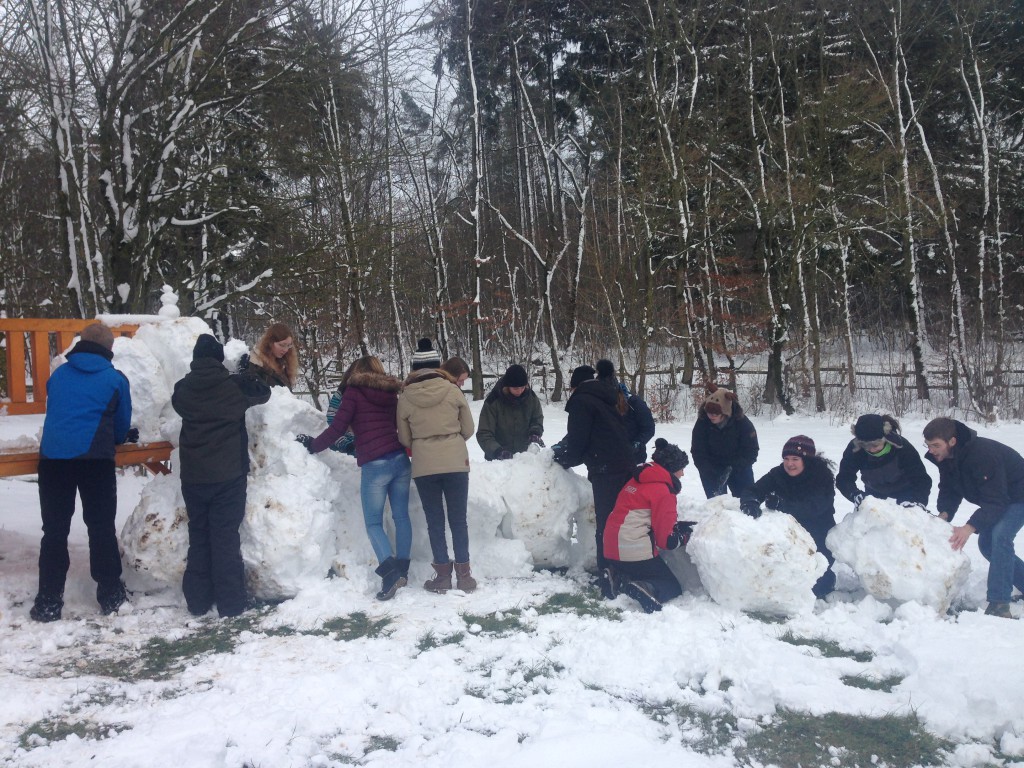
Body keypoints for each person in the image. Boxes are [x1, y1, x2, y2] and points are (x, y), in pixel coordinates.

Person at [30, 322, 135, 622]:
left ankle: (48, 601)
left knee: (54, 532)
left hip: (53, 460)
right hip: (95, 462)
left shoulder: (59, 374)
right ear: (109, 349)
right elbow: (120, 427)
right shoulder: (115, 379)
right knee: (100, 528)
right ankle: (111, 596)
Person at [172, 334, 272, 617]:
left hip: (193, 476)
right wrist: (245, 373)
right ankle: (231, 603)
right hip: (228, 474)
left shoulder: (183, 389)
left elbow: (178, 403)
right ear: (218, 359)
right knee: (225, 537)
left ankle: (198, 601)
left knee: (199, 535)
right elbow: (263, 391)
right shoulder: (234, 387)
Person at [296, 356, 411, 601]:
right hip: (400, 460)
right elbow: (395, 425)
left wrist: (313, 445)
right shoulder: (391, 393)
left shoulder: (354, 392)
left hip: (375, 463)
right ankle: (403, 568)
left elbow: (337, 428)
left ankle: (390, 573)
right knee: (402, 516)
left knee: (373, 522)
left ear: (356, 372)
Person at [923, 417, 1024, 619]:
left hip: (1018, 496)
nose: (932, 450)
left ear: (952, 441)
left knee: (1000, 538)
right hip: (1002, 498)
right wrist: (944, 514)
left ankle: (999, 605)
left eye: (936, 445)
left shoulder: (982, 455)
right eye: (928, 445)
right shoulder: (946, 457)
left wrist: (969, 527)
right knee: (987, 544)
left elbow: (996, 500)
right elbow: (949, 488)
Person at [397, 338, 476, 593]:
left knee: (435, 521)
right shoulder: (453, 390)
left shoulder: (406, 395)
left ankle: (442, 576)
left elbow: (404, 437)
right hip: (455, 462)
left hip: (424, 465)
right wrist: (451, 440)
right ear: (437, 365)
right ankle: (464, 576)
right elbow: (469, 428)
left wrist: (424, 443)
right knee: (458, 520)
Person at [553, 364, 635, 597]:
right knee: (623, 519)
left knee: (606, 521)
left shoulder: (581, 402)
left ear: (574, 386)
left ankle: (608, 572)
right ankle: (628, 566)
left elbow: (579, 439)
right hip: (626, 464)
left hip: (606, 469)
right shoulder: (607, 397)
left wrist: (563, 459)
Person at [603, 438, 694, 613]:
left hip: (611, 548)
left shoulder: (636, 481)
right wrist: (684, 537)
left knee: (634, 568)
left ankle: (616, 576)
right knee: (671, 586)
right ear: (671, 469)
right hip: (632, 549)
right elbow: (665, 541)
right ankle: (647, 588)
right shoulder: (663, 491)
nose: (682, 474)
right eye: (681, 469)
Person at [741, 435, 837, 599]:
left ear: (806, 460)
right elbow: (754, 490)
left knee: (814, 584)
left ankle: (827, 579)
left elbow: (816, 506)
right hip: (788, 534)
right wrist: (750, 502)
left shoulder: (822, 476)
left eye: (795, 459)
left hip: (818, 533)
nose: (789, 464)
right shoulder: (779, 473)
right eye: (786, 458)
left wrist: (783, 506)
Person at [836, 414, 931, 507]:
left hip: (905, 493)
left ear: (885, 439)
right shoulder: (855, 449)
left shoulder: (902, 447)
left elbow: (921, 479)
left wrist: (918, 502)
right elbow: (844, 478)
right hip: (873, 495)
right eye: (866, 446)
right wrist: (854, 494)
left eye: (875, 445)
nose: (871, 449)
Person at [691, 385, 759, 498]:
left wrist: (734, 467)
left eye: (715, 413)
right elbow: (698, 451)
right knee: (717, 504)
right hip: (712, 467)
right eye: (708, 412)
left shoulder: (742, 423)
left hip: (739, 467)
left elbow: (751, 451)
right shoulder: (703, 422)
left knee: (746, 500)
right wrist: (708, 470)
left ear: (725, 412)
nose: (711, 416)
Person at [476, 364, 544, 460]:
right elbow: (484, 433)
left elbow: (537, 419)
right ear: (507, 386)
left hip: (524, 459)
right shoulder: (493, 401)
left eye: (522, 387)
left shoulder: (531, 398)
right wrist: (497, 451)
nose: (520, 391)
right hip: (498, 461)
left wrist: (535, 433)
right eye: (515, 388)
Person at [595, 359, 654, 463]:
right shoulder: (598, 403)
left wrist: (637, 443)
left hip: (634, 458)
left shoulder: (634, 403)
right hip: (606, 459)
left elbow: (648, 428)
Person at [247, 322, 297, 389]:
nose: (286, 350)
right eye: (282, 345)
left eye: (289, 345)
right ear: (270, 343)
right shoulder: (256, 366)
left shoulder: (284, 364)